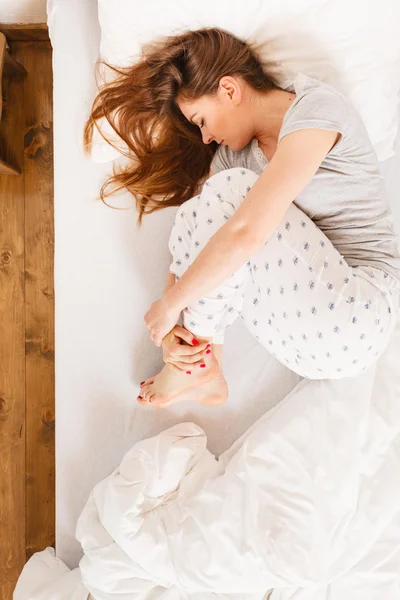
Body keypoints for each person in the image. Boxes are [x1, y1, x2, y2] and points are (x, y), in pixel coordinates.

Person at [83, 27, 400, 408]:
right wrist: (172, 332)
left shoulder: (315, 109)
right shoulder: (233, 160)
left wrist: (171, 307)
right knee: (197, 211)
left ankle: (198, 367)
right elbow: (196, 240)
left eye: (201, 120)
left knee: (232, 198)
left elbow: (249, 231)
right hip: (299, 345)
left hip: (359, 312)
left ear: (229, 90)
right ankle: (202, 361)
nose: (204, 138)